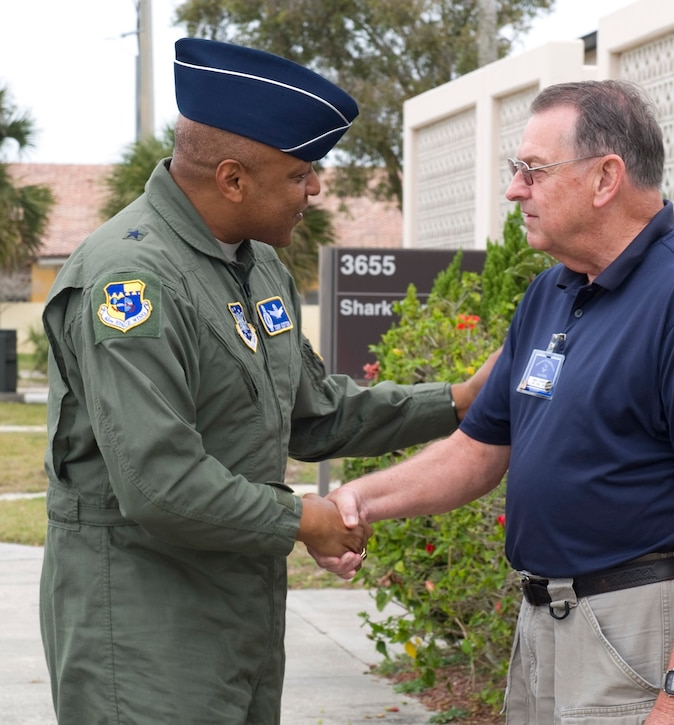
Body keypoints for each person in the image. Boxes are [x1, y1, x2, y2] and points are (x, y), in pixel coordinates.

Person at [39, 37, 494, 724]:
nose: (316, 190)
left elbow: (311, 414)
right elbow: (159, 481)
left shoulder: (257, 265)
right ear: (232, 179)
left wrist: (456, 402)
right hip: (142, 626)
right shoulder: (131, 281)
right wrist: (301, 518)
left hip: (241, 614)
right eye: (300, 174)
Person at [313, 79, 674, 724]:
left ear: (605, 177)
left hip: (642, 627)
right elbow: (479, 449)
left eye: (532, 170)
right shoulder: (554, 292)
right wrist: (359, 501)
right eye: (515, 170)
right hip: (548, 623)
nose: (514, 190)